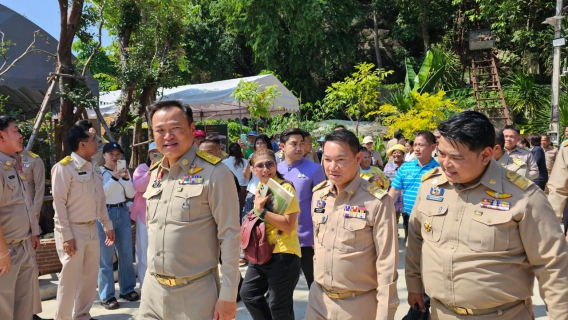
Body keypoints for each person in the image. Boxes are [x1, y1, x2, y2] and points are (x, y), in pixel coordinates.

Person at [406, 111, 568, 319]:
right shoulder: (430, 186)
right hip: (440, 312)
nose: (445, 163)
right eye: (441, 154)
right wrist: (413, 284)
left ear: (485, 155)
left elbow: (552, 266)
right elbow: (416, 239)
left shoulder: (523, 197)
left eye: (456, 157)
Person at [139, 100, 240, 320]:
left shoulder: (216, 173)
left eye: (175, 128)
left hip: (195, 294)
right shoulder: (156, 173)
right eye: (160, 130)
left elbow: (230, 236)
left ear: (192, 129)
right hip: (152, 291)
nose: (168, 136)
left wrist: (229, 295)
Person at [306, 129, 399, 320]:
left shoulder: (377, 201)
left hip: (357, 306)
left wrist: (385, 314)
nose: (332, 167)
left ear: (358, 158)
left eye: (341, 160)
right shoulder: (318, 195)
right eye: (327, 159)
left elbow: (387, 264)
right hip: (318, 300)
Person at [51, 125, 115, 320]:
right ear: (82, 144)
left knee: (89, 277)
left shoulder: (93, 166)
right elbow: (59, 204)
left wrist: (107, 224)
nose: (97, 143)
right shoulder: (64, 167)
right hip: (72, 230)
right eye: (93, 140)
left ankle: (83, 315)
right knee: (69, 280)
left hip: (91, 228)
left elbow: (100, 199)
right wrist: (67, 236)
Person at [240, 149, 302, 320]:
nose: (265, 168)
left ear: (276, 165)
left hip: (284, 253)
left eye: (270, 164)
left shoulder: (285, 187)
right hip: (262, 251)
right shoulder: (262, 186)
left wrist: (261, 211)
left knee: (278, 306)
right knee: (248, 294)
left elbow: (289, 226)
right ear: (253, 169)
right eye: (260, 165)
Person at [0, 116, 41, 320]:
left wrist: (33, 232)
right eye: (16, 130)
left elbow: (25, 203)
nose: (21, 135)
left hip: (23, 246)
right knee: (4, 308)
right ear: (1, 136)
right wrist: (2, 253)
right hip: (6, 250)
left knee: (24, 307)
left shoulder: (13, 164)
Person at [276, 128, 326, 289]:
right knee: (283, 287)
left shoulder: (314, 169)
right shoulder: (276, 170)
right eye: (294, 144)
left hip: (307, 239)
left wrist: (319, 234)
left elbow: (322, 204)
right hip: (282, 238)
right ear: (282, 146)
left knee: (315, 284)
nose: (299, 148)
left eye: (302, 144)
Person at [97, 142, 138, 309]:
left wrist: (126, 179)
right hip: (104, 215)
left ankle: (127, 289)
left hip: (122, 211)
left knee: (126, 254)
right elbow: (102, 194)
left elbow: (131, 194)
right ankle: (107, 295)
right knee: (105, 258)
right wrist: (114, 178)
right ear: (104, 155)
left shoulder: (124, 172)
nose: (115, 157)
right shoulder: (99, 172)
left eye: (118, 154)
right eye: (111, 154)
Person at [388, 131, 439, 241]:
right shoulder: (405, 168)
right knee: (411, 250)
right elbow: (394, 191)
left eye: (421, 145)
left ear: (433, 147)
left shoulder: (440, 170)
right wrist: (384, 210)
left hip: (432, 219)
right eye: (415, 145)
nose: (416, 148)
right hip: (409, 216)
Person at [131, 142, 159, 290]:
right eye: (152, 152)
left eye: (158, 152)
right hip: (144, 217)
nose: (155, 155)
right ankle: (145, 287)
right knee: (144, 255)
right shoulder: (142, 169)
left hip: (162, 217)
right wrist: (151, 172)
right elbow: (139, 187)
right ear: (148, 154)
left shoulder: (170, 169)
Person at [243, 134, 275, 219]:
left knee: (264, 219)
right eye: (258, 143)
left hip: (268, 192)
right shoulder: (251, 157)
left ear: (267, 144)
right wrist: (249, 164)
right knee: (247, 218)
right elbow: (246, 176)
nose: (260, 145)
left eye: (262, 143)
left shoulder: (274, 157)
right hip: (253, 191)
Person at [384, 144, 408, 228]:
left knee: (407, 221)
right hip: (393, 197)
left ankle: (407, 238)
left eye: (399, 152)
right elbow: (385, 179)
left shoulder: (408, 166)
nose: (396, 155)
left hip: (405, 197)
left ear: (403, 154)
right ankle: (395, 237)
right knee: (393, 220)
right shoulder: (388, 165)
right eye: (394, 153)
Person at [222, 142, 248, 212]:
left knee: (231, 210)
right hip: (243, 189)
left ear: (229, 151)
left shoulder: (224, 162)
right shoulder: (245, 162)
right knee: (241, 209)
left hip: (229, 188)